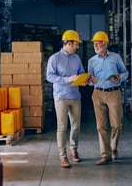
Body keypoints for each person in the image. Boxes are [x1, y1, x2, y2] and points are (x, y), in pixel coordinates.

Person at [46, 30, 86, 168]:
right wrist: (66, 79)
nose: (77, 47)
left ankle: (73, 150)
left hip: (75, 96)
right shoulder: (54, 58)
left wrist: (83, 79)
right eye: (76, 44)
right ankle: (63, 156)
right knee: (62, 127)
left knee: (76, 126)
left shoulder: (76, 58)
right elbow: (49, 76)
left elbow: (81, 72)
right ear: (68, 43)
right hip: (61, 97)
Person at [87, 31, 128, 165]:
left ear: (105, 43)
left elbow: (125, 72)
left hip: (113, 93)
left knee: (116, 124)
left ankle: (113, 147)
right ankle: (106, 154)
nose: (96, 45)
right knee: (101, 126)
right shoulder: (91, 61)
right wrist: (90, 80)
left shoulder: (115, 58)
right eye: (94, 43)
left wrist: (119, 78)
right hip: (97, 94)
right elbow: (90, 79)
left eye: (98, 42)